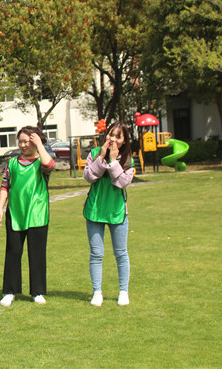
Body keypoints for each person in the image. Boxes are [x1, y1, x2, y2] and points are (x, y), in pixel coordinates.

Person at [0, 126, 55, 307]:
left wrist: (39, 145)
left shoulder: (41, 160)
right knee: (13, 252)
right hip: (15, 213)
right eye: (20, 141)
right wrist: (0, 208)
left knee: (37, 253)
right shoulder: (12, 163)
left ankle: (37, 291)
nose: (22, 145)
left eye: (26, 141)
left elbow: (49, 165)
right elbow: (5, 185)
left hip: (38, 213)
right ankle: (9, 291)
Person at [82, 121, 134, 307]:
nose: (112, 139)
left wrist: (112, 162)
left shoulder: (128, 159)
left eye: (118, 136)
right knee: (96, 254)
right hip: (95, 210)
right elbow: (89, 176)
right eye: (111, 134)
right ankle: (97, 292)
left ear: (124, 141)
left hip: (117, 211)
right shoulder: (95, 153)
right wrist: (102, 158)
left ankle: (123, 291)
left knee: (121, 253)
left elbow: (121, 182)